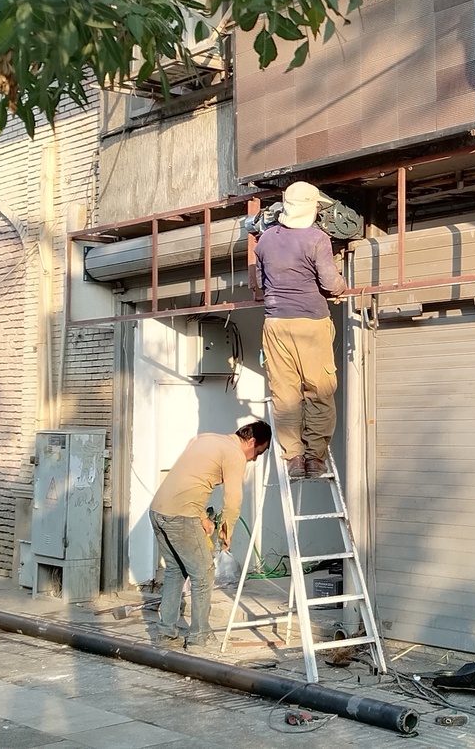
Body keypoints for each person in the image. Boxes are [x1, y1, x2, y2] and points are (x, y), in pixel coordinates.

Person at [252, 181, 349, 478]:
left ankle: (293, 458)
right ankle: (315, 458)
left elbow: (257, 281)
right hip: (310, 323)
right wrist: (342, 284)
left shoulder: (265, 240)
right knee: (319, 391)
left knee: (285, 393)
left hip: (275, 324)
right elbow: (332, 283)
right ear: (313, 208)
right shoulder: (317, 238)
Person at [149, 421, 271, 651]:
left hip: (158, 510)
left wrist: (202, 516)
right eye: (258, 452)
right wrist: (227, 531)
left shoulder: (205, 438)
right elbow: (233, 500)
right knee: (203, 573)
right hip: (180, 515)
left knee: (176, 570)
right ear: (252, 442)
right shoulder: (235, 454)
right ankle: (200, 637)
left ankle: (166, 634)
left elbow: (190, 478)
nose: (254, 459)